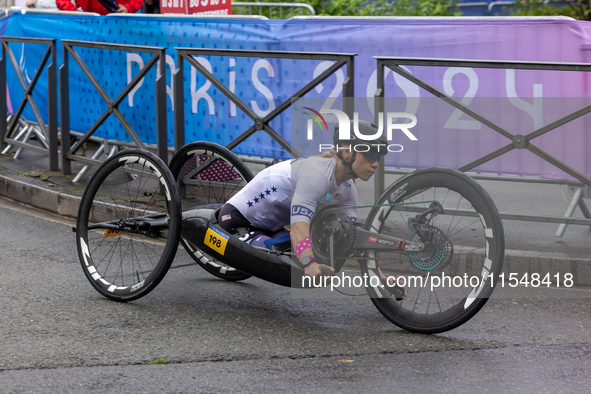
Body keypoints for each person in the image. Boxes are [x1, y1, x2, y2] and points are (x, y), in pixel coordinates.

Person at [218, 120, 389, 281]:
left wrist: (380, 278)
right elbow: (299, 226)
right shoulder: (316, 175)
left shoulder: (348, 189)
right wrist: (309, 263)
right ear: (347, 152)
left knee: (317, 246)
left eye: (379, 157)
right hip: (237, 221)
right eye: (371, 154)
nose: (376, 163)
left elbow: (353, 239)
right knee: (286, 258)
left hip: (273, 228)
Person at [56, 0, 143, 14]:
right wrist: (73, 11)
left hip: (117, 22)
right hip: (88, 24)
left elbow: (138, 1)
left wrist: (128, 8)